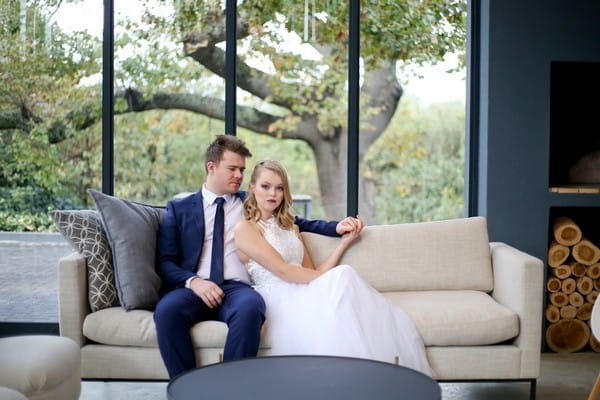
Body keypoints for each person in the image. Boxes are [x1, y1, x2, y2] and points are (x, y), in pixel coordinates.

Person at [154, 135, 362, 379]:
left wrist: (336, 228)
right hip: (195, 287)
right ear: (212, 167)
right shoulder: (179, 208)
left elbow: (297, 223)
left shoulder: (250, 202)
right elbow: (166, 261)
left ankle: (232, 390)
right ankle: (185, 388)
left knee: (251, 308)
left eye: (242, 170)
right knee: (166, 311)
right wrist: (195, 283)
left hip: (237, 287)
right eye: (232, 169)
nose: (239, 176)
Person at [234, 160, 432, 376]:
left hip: (303, 287)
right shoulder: (246, 228)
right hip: (278, 297)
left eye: (279, 188)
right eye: (265, 186)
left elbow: (313, 269)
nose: (273, 193)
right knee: (341, 281)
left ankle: (364, 374)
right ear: (252, 188)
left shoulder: (291, 226)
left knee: (344, 275)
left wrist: (344, 244)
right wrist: (323, 279)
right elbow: (284, 271)